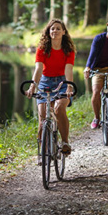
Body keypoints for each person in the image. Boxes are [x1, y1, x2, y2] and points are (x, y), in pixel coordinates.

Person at [25, 19, 76, 161]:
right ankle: (43, 152)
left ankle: (65, 142)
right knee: (42, 118)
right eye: (52, 29)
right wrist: (32, 86)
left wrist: (69, 87)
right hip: (45, 81)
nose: (55, 31)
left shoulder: (68, 50)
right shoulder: (42, 48)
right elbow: (39, 68)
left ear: (64, 32)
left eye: (58, 28)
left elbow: (69, 69)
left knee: (59, 109)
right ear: (49, 31)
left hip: (63, 81)